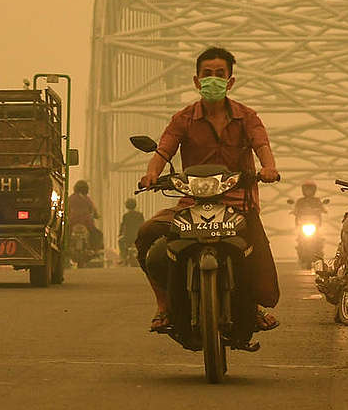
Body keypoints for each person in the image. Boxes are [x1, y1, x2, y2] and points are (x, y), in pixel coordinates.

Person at [136, 47, 281, 332]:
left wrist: (268, 168)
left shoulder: (247, 117)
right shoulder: (184, 119)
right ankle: (164, 306)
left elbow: (261, 145)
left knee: (254, 253)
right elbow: (164, 149)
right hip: (192, 201)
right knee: (148, 236)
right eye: (207, 74)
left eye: (219, 74)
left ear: (230, 81)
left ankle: (252, 308)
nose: (213, 79)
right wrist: (151, 173)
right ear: (196, 80)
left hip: (239, 202)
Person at [67, 180, 103, 250]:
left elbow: (66, 209)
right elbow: (94, 210)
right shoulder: (87, 199)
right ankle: (96, 250)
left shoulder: (70, 198)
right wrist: (97, 215)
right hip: (87, 224)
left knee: (64, 236)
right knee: (98, 235)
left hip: (72, 223)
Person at [118, 198, 144, 263]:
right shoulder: (140, 215)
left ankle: (124, 257)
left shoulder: (126, 216)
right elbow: (143, 225)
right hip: (138, 236)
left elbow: (123, 226)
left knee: (120, 241)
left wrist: (120, 233)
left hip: (128, 237)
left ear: (126, 206)